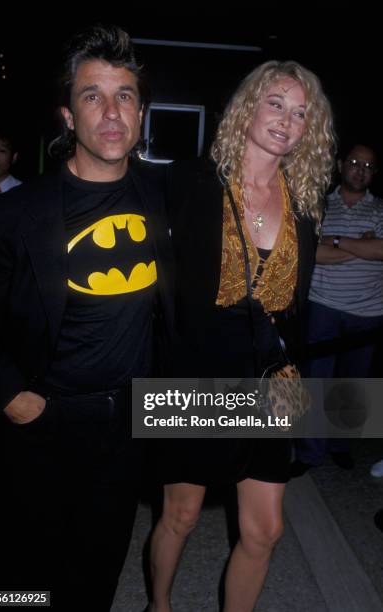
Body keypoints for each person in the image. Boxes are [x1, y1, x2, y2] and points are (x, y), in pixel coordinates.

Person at [0, 24, 172, 611]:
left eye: (125, 96)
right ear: (68, 115)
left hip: (124, 423)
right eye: (93, 96)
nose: (111, 112)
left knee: (96, 570)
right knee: (21, 576)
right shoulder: (14, 214)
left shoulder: (165, 198)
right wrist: (8, 390)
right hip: (41, 420)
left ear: (141, 111)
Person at [147, 60, 335, 612]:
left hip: (274, 379)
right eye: (276, 102)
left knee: (265, 530)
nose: (286, 119)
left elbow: (294, 306)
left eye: (301, 113)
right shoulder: (189, 182)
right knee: (179, 515)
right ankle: (158, 605)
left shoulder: (306, 203)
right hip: (198, 369)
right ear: (248, 104)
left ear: (310, 130)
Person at [291, 144, 383, 477]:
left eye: (369, 166)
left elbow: (381, 251)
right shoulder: (318, 205)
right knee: (315, 383)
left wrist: (334, 241)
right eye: (356, 162)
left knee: (354, 385)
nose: (361, 169)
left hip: (369, 312)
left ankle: (340, 446)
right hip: (323, 306)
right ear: (342, 165)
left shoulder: (380, 210)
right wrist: (361, 245)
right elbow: (310, 253)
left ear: (375, 173)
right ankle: (309, 452)